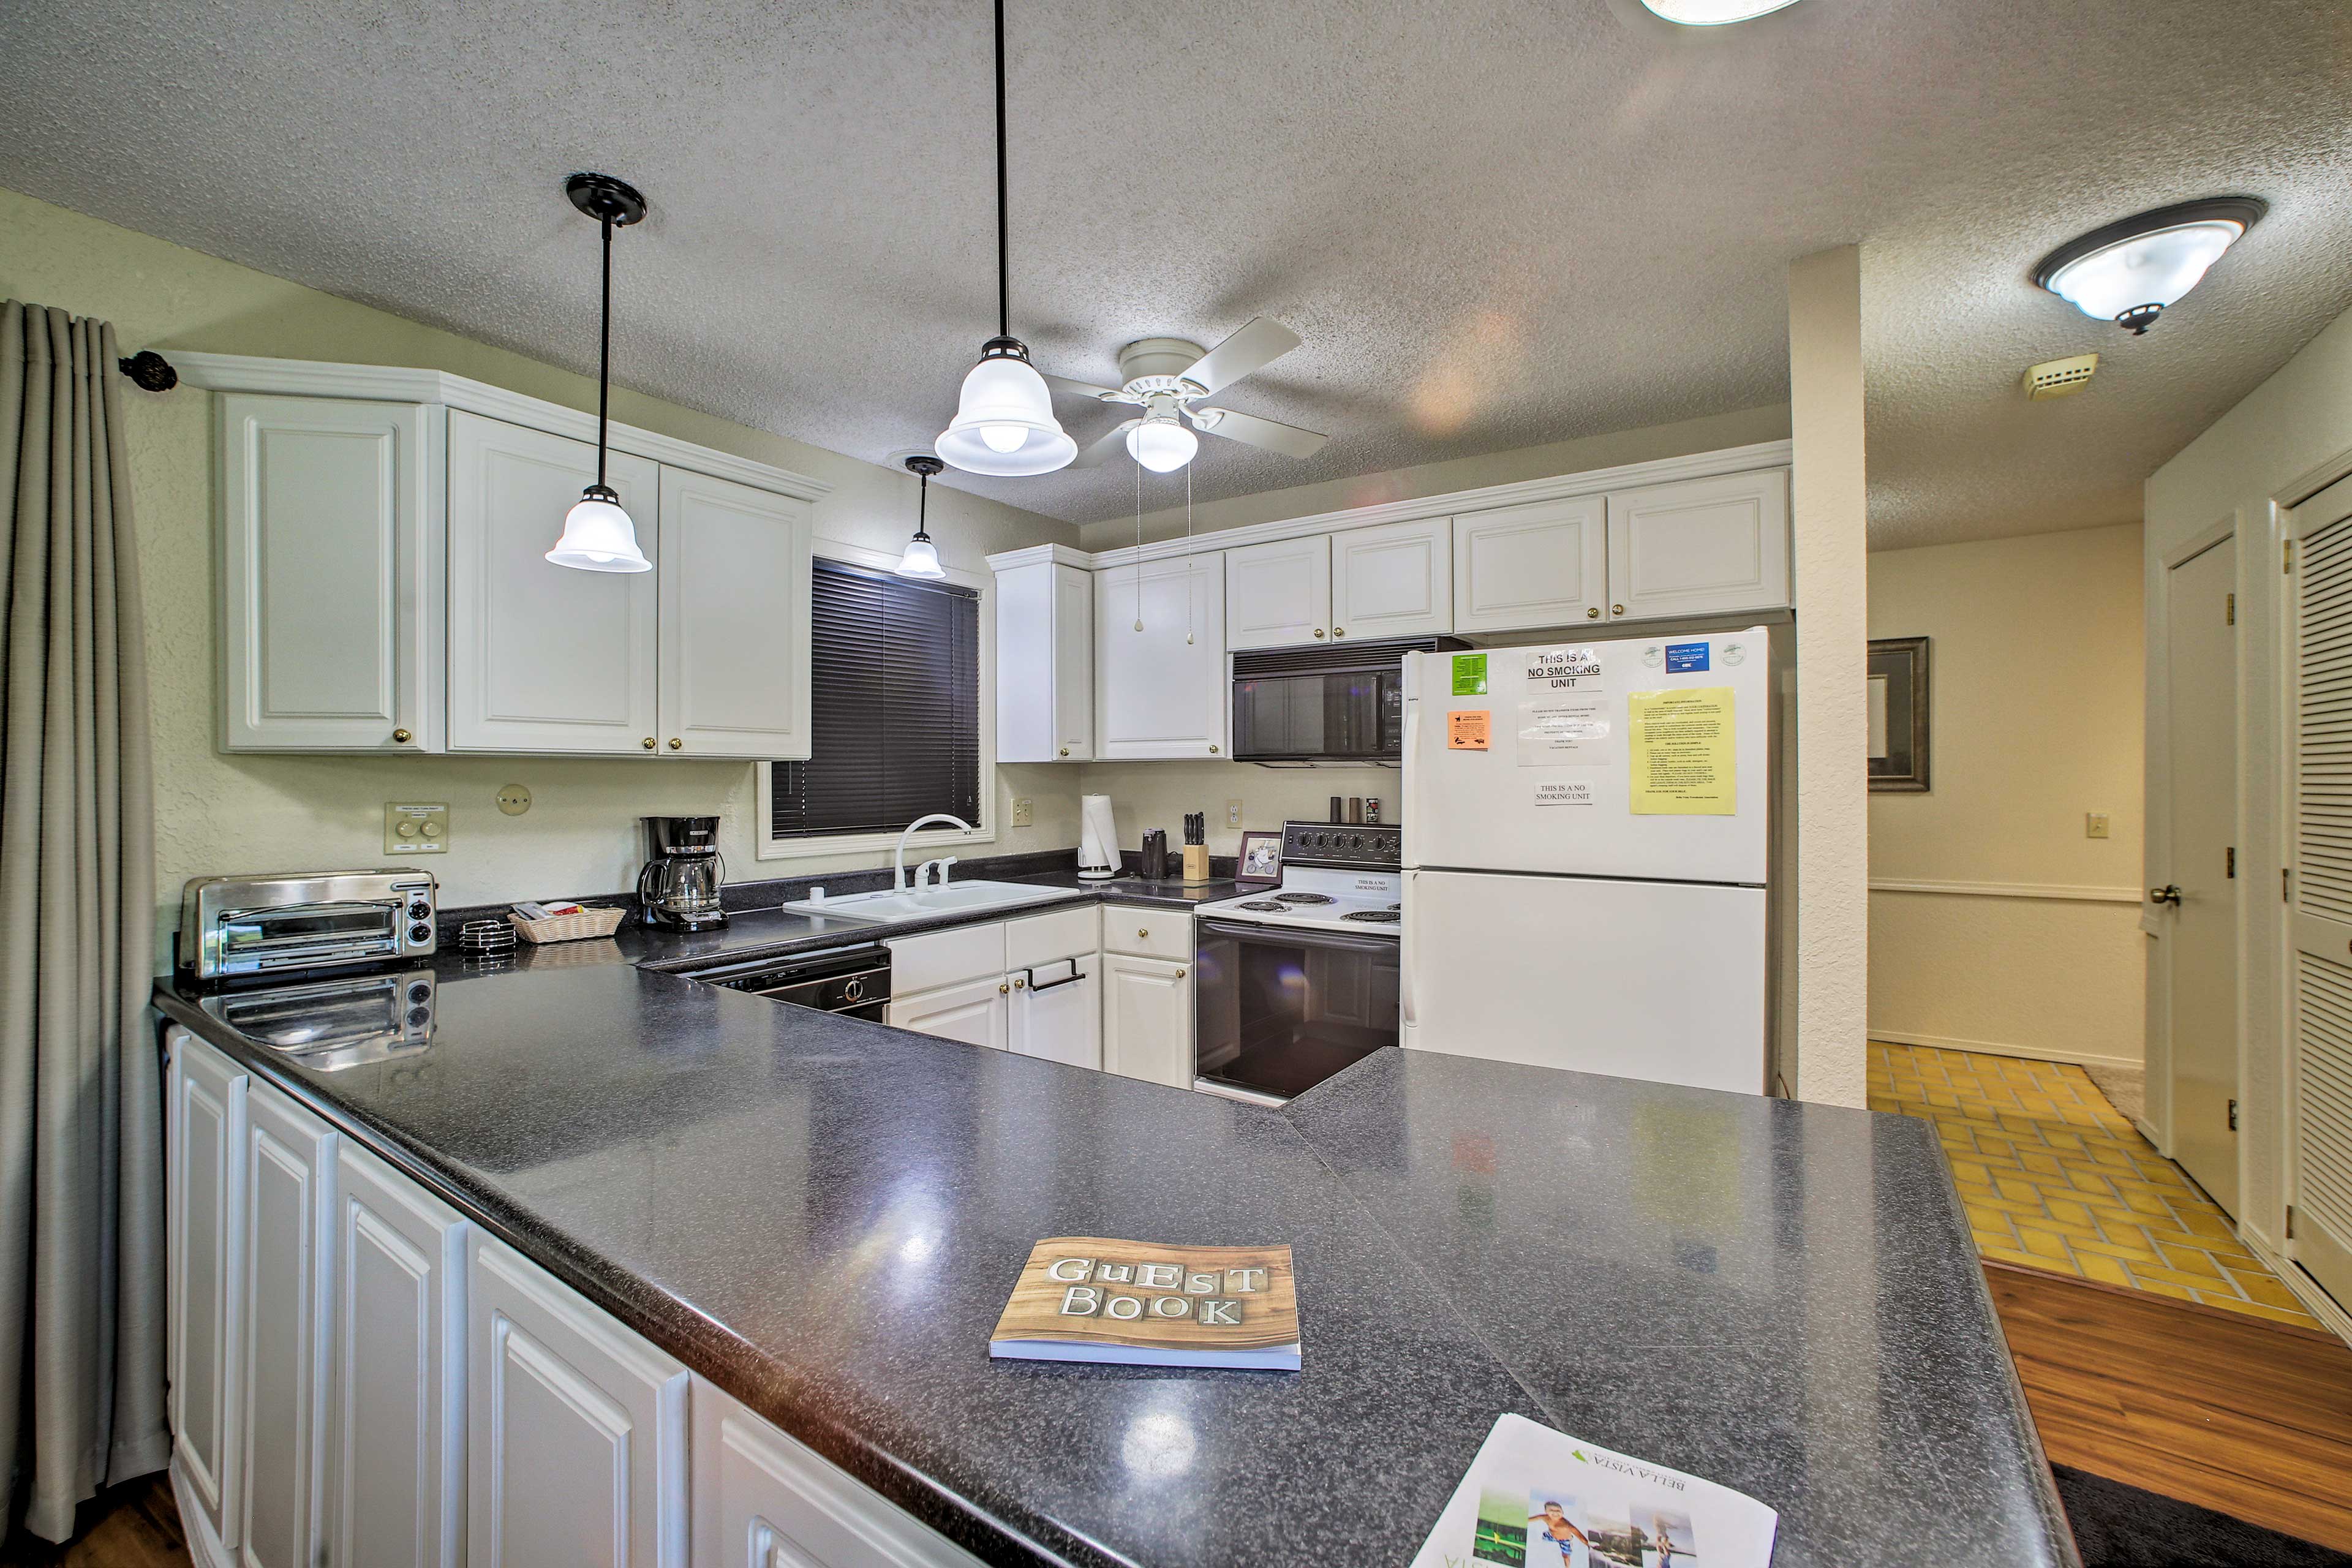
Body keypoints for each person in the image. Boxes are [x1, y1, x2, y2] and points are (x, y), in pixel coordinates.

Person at [1528, 1501, 1593, 1564]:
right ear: (1546, 1512)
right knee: (1540, 1539)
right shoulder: (1545, 1518)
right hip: (1551, 1536)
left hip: (1565, 1540)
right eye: (1551, 1511)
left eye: (1558, 1511)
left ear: (1563, 1512)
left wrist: (1588, 1544)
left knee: (1566, 1557)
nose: (1555, 1513)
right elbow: (1534, 1518)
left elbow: (1579, 1535)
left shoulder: (1566, 1524)